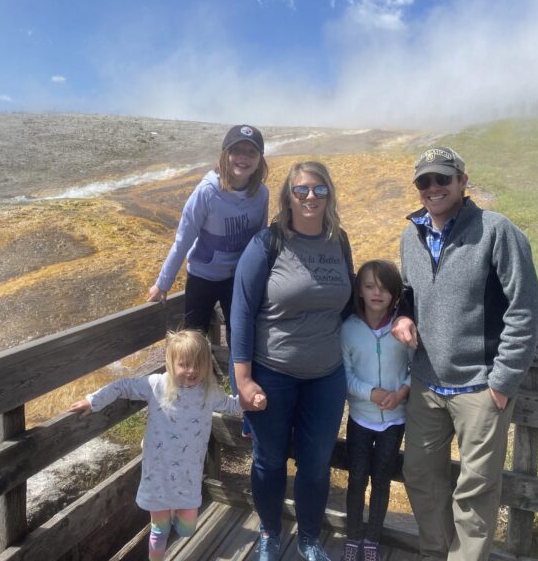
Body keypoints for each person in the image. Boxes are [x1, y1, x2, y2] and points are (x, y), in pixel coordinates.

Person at [392, 147, 538, 561]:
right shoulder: (410, 236)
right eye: (424, 181)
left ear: (463, 181)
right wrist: (402, 316)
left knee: (476, 491)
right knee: (420, 476)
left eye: (443, 178)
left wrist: (502, 383)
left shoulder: (497, 231)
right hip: (426, 384)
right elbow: (407, 293)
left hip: (480, 387)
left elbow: (525, 309)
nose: (433, 187)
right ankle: (434, 553)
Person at [231, 161, 354, 561]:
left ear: (329, 195)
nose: (310, 197)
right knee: (269, 462)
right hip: (273, 373)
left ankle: (309, 539)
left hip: (327, 376)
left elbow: (349, 301)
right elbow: (241, 313)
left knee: (316, 464)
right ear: (288, 197)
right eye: (301, 190)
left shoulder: (339, 241)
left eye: (319, 190)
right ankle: (269, 531)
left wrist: (398, 317)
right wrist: (243, 381)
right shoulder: (267, 243)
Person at [68, 330, 265, 561]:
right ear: (171, 363)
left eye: (197, 365)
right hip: (159, 471)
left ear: (206, 365)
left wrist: (252, 402)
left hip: (188, 475)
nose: (191, 371)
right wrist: (92, 401)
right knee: (159, 531)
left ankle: (175, 515)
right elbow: (123, 386)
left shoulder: (209, 392)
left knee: (187, 528)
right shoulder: (157, 385)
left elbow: (231, 405)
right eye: (184, 364)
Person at [147, 124, 269, 346]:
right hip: (202, 277)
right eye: (237, 150)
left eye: (251, 152)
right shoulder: (207, 192)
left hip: (238, 277)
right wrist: (163, 283)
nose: (243, 157)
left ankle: (235, 370)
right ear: (225, 154)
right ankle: (198, 371)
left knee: (239, 334)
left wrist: (262, 276)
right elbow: (183, 240)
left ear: (260, 159)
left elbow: (260, 240)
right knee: (194, 339)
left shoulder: (261, 194)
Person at [340, 260, 412, 561]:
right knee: (357, 478)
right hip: (360, 418)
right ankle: (353, 535)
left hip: (394, 421)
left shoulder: (403, 330)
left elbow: (415, 368)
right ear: (359, 291)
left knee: (381, 480)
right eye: (370, 286)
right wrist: (371, 393)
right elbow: (345, 375)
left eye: (384, 288)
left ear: (395, 294)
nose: (377, 293)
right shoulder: (348, 330)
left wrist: (402, 392)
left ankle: (373, 538)